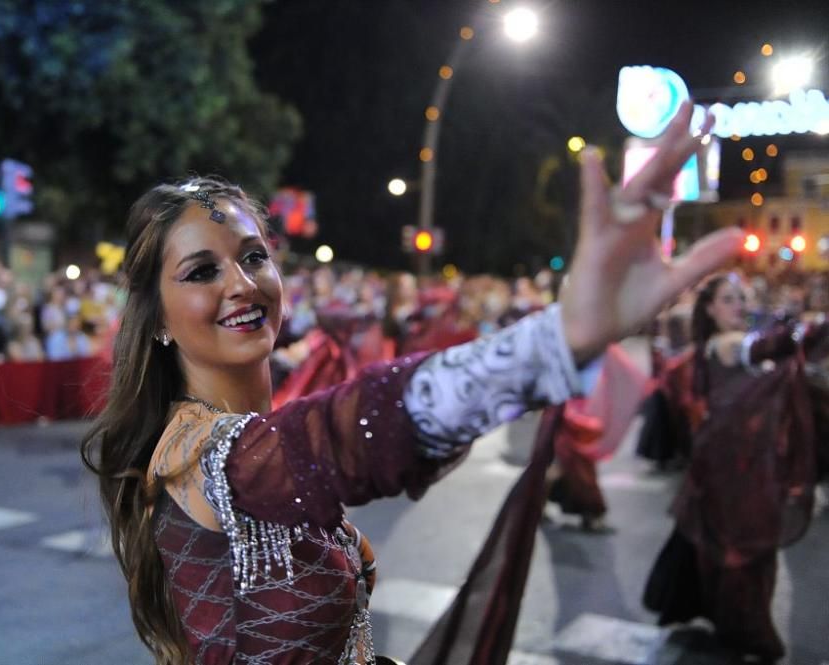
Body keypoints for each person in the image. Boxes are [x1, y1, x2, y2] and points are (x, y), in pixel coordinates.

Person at [81, 103, 741, 663]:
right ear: (158, 319)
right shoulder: (199, 453)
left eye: (254, 256)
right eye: (201, 271)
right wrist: (557, 338)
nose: (241, 283)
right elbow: (356, 430)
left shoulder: (251, 439)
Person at [642, 274, 829, 662]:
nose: (738, 307)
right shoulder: (726, 344)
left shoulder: (710, 347)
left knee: (728, 551)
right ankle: (744, 632)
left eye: (741, 299)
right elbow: (770, 347)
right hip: (732, 477)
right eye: (729, 300)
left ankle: (729, 623)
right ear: (709, 309)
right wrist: (810, 329)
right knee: (743, 554)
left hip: (728, 469)